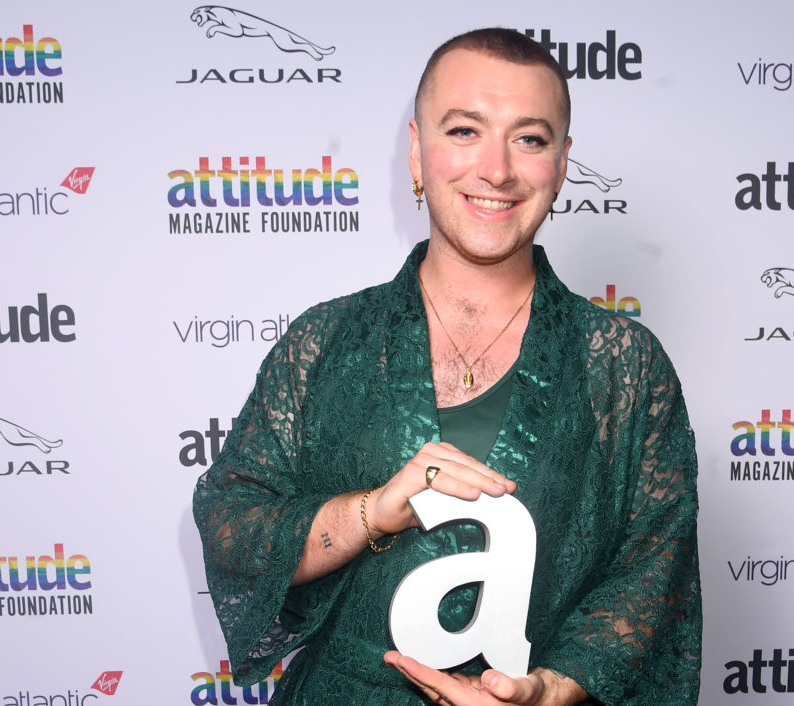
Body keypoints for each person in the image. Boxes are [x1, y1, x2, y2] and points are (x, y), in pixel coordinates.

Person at [193, 27, 701, 706]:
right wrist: (372, 511)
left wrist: (550, 690)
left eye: (530, 138)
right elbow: (233, 522)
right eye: (464, 130)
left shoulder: (626, 365)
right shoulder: (325, 340)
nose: (497, 169)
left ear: (562, 162)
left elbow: (650, 570)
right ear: (416, 151)